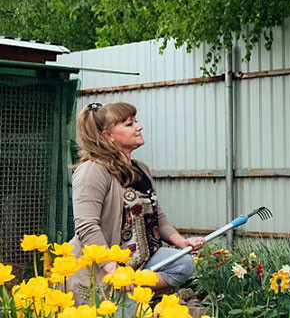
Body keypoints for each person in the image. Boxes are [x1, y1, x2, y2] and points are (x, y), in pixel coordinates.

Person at [67, 101, 206, 304]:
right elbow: (86, 226)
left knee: (183, 263)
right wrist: (113, 270)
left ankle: (134, 293)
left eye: (136, 122)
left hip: (142, 261)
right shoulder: (93, 171)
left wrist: (181, 242)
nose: (138, 127)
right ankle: (123, 296)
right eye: (129, 124)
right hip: (102, 270)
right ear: (107, 135)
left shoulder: (141, 169)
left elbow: (157, 215)